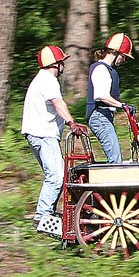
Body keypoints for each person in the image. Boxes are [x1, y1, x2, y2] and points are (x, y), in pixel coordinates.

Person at [21, 45, 88, 224]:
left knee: (57, 175)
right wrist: (71, 123)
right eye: (62, 62)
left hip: (36, 134)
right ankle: (43, 215)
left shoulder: (39, 79)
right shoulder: (48, 80)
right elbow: (58, 104)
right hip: (43, 135)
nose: (63, 66)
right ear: (56, 64)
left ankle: (48, 213)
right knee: (56, 176)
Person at [86, 33, 136, 163]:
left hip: (104, 116)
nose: (124, 60)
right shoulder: (101, 69)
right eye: (124, 56)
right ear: (115, 53)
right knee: (115, 159)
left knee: (116, 156)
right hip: (99, 116)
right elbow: (102, 96)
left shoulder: (107, 69)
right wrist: (122, 105)